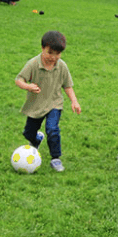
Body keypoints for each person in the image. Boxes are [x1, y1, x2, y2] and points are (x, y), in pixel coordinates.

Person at [15, 31, 82, 172]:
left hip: (54, 104)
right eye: (50, 52)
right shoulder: (33, 64)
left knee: (52, 129)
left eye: (57, 54)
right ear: (42, 48)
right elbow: (19, 79)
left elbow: (67, 85)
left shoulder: (61, 66)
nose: (53, 57)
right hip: (36, 105)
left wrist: (74, 101)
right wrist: (28, 86)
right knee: (28, 132)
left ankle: (55, 158)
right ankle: (36, 139)